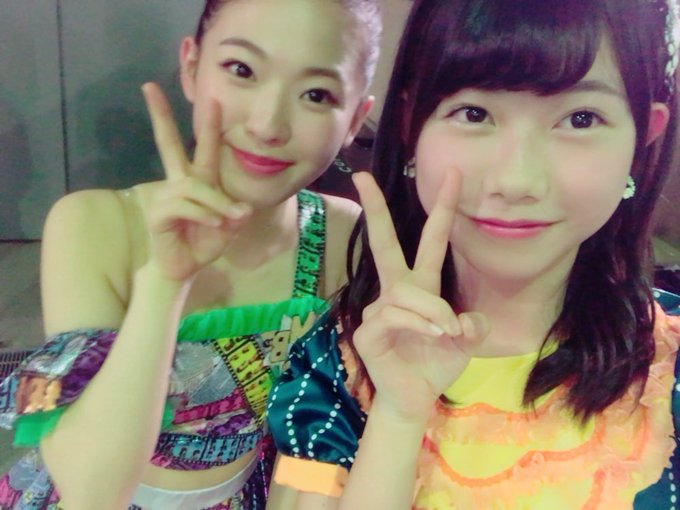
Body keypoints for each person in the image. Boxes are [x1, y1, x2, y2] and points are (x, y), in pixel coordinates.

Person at [266, 0, 680, 508]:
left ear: (643, 138)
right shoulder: (331, 366)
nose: (516, 181)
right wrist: (397, 413)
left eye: (580, 118)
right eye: (474, 113)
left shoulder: (671, 366)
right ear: (411, 127)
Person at [0, 0, 380, 508]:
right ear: (192, 67)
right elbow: (90, 490)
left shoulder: (342, 234)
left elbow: (317, 437)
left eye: (316, 94)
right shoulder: (95, 226)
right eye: (242, 69)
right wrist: (164, 282)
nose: (268, 125)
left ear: (355, 118)